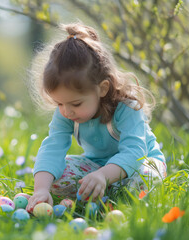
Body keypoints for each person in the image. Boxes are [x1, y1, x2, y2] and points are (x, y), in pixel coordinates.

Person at [26, 23, 166, 211]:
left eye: (75, 104)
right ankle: (104, 194)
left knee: (146, 177)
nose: (66, 111)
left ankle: (113, 193)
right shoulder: (66, 111)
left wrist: (103, 176)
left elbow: (135, 152)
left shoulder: (126, 107)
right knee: (55, 176)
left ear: (102, 88)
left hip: (140, 164)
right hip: (95, 166)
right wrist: (41, 189)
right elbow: (53, 146)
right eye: (59, 103)